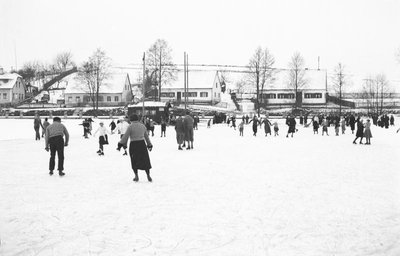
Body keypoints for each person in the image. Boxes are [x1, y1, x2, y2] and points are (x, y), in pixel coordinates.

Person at [119, 114, 153, 182]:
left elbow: (125, 136)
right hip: (142, 144)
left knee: (134, 160)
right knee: (145, 160)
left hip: (134, 145)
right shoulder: (142, 126)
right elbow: (146, 137)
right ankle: (148, 175)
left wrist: (120, 144)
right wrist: (149, 145)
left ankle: (136, 176)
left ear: (131, 119)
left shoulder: (130, 126)